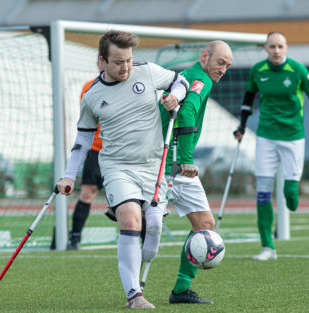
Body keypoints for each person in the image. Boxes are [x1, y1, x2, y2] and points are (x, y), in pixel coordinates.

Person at [56, 30, 189, 309]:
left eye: (128, 60)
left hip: (153, 165)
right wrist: (69, 174)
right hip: (117, 167)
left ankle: (139, 279)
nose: (125, 67)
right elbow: (82, 139)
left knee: (153, 227)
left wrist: (175, 97)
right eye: (118, 62)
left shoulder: (148, 72)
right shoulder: (92, 96)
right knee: (130, 220)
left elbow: (181, 81)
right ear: (102, 61)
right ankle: (134, 295)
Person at [234, 31, 309, 261]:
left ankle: (291, 198)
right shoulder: (257, 71)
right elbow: (247, 100)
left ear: (286, 48)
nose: (276, 50)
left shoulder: (298, 70)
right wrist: (241, 126)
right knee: (263, 190)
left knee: (290, 196)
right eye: (271, 46)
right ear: (265, 48)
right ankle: (268, 247)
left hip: (293, 136)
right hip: (266, 135)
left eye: (280, 46)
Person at [159, 41, 233, 304]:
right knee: (145, 228)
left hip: (171, 163)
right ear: (204, 56)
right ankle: (137, 293)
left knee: (204, 225)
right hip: (171, 165)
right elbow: (187, 111)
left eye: (228, 65)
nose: (223, 69)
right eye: (220, 62)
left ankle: (180, 290)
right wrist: (186, 160)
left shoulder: (193, 77)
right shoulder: (199, 78)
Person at [67, 60, 105, 250]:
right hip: (97, 150)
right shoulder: (89, 87)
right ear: (100, 62)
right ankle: (74, 237)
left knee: (132, 198)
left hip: (123, 152)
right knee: (87, 193)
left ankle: (144, 239)